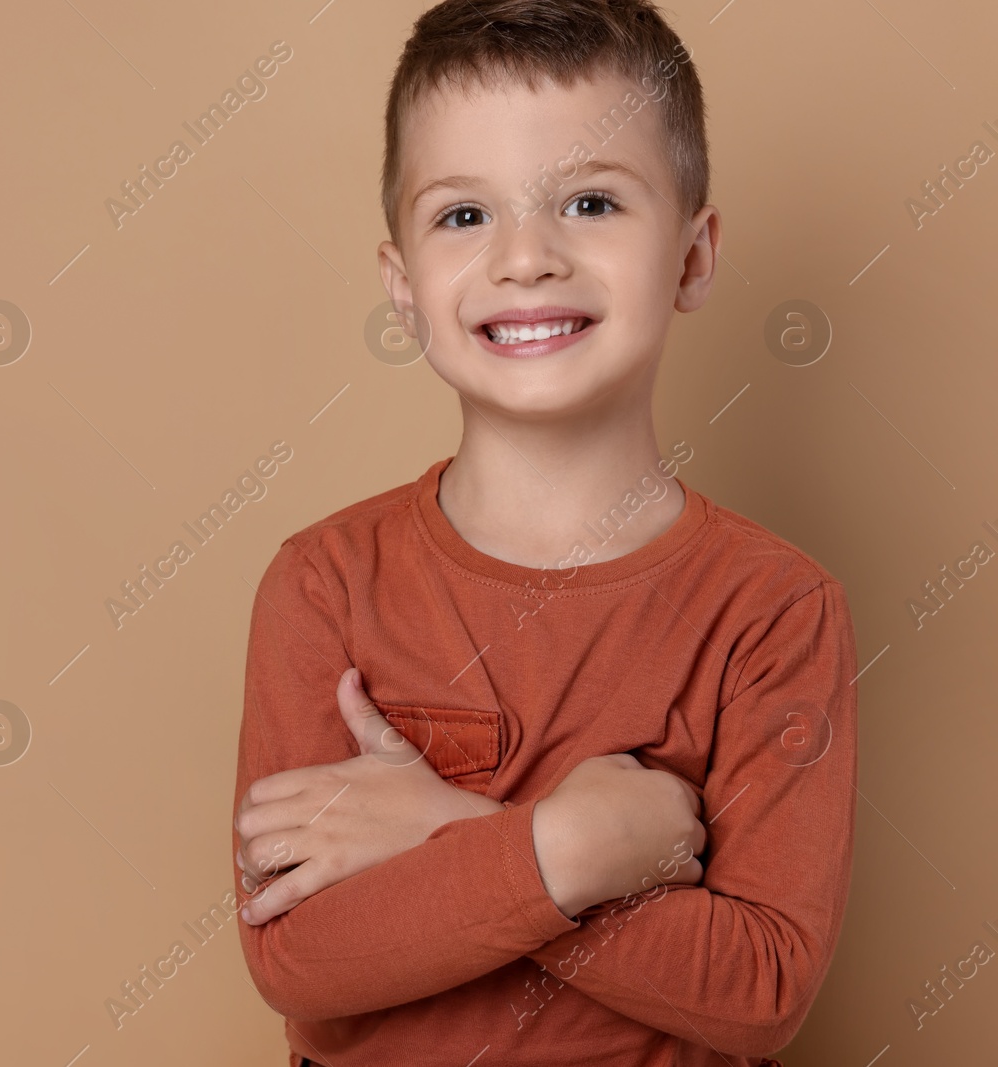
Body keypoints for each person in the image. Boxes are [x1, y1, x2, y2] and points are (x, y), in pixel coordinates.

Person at [229, 2, 858, 1065]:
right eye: (465, 216)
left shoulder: (774, 608)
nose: (526, 258)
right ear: (401, 285)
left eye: (589, 200)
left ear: (694, 257)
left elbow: (758, 986)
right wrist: (573, 845)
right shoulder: (324, 583)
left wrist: (437, 824)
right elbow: (297, 956)